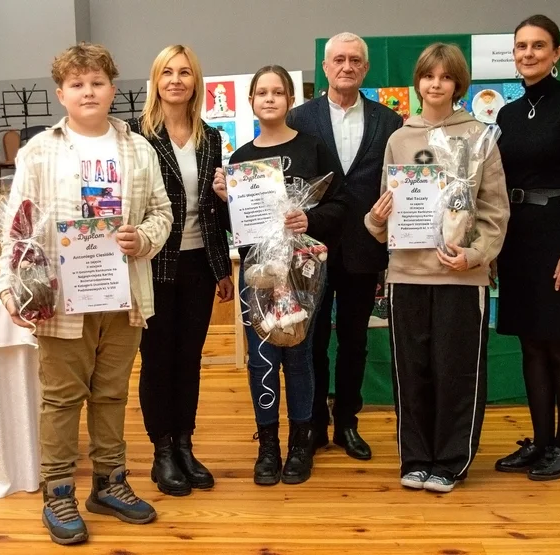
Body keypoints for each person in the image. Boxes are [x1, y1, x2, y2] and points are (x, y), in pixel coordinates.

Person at [0, 43, 173, 545]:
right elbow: (17, 226)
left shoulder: (138, 149)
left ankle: (110, 483)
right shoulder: (38, 151)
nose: (88, 91)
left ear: (113, 89)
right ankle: (57, 491)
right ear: (61, 94)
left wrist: (143, 238)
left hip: (123, 294)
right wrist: (10, 288)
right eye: (77, 84)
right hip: (59, 298)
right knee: (61, 398)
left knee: (112, 393)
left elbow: (162, 213)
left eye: (97, 82)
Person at [365, 42, 509, 493]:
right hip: (407, 275)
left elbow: (494, 210)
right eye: (429, 76)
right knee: (413, 370)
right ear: (419, 82)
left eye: (445, 77)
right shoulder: (399, 138)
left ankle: (450, 460)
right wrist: (376, 219)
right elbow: (383, 215)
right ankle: (416, 457)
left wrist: (477, 253)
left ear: (457, 84)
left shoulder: (481, 137)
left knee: (456, 369)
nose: (436, 84)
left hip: (461, 275)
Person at [212, 65, 347, 486]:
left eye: (277, 92)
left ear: (291, 100)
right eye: (261, 93)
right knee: (262, 357)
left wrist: (309, 217)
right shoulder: (240, 159)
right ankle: (267, 444)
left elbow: (340, 205)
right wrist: (223, 197)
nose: (269, 99)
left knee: (301, 356)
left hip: (304, 275)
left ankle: (301, 442)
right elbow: (235, 224)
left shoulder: (314, 147)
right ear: (251, 101)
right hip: (260, 275)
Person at [494, 14, 560, 481]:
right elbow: (498, 186)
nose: (528, 53)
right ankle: (540, 443)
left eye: (539, 46)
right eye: (521, 46)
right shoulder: (507, 114)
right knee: (531, 347)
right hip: (519, 241)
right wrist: (496, 247)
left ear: (556, 53)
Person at [286, 32, 403, 460]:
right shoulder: (299, 118)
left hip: (364, 246)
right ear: (325, 66)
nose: (347, 66)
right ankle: (314, 422)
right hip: (309, 245)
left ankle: (347, 423)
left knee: (355, 340)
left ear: (365, 68)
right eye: (339, 59)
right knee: (311, 340)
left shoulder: (389, 122)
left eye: (355, 60)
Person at [128, 44, 233, 498]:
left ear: (196, 81)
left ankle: (186, 445)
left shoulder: (210, 137)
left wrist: (221, 266)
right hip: (152, 262)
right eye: (167, 72)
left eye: (184, 72)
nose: (176, 80)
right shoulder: (135, 136)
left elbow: (210, 210)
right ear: (156, 81)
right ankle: (162, 451)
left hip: (200, 264)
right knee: (157, 360)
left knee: (189, 360)